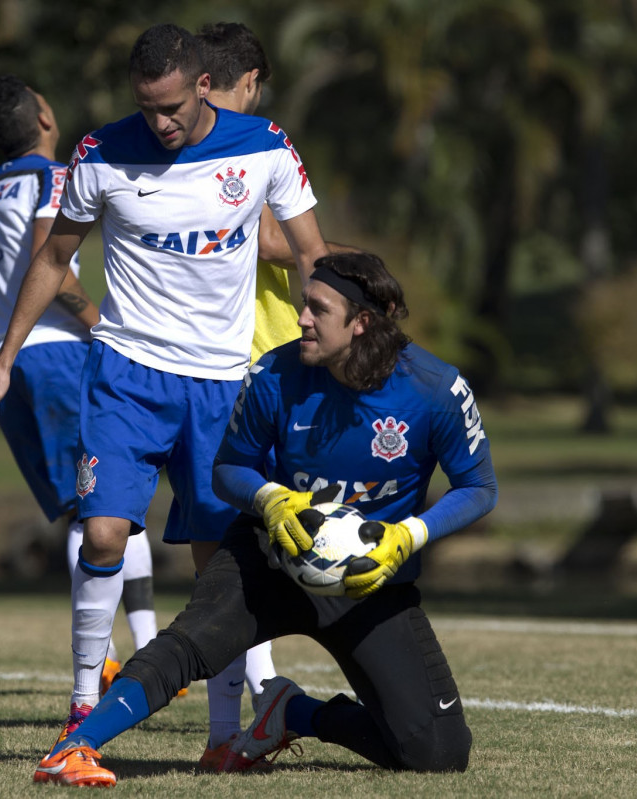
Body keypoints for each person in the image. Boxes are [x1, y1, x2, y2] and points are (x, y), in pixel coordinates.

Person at [0, 24, 329, 758]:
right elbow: (53, 257)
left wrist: (317, 356)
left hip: (223, 384)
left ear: (203, 86)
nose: (159, 124)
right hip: (125, 375)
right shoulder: (100, 153)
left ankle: (226, 736)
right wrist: (2, 362)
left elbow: (310, 255)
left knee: (214, 561)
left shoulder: (265, 146)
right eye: (145, 107)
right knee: (101, 530)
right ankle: (80, 707)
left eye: (170, 108)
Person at [33, 251, 498, 787]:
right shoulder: (275, 373)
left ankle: (293, 712)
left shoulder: (435, 388)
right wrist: (271, 500)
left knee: (440, 752)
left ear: (361, 322)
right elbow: (229, 469)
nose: (301, 318)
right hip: (269, 558)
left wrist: (408, 536)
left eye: (317, 309)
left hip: (371, 579)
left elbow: (479, 488)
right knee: (190, 644)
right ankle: (75, 746)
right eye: (304, 305)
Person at [0, 75, 162, 702]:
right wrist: (103, 326)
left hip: (8, 355)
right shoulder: (50, 177)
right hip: (58, 355)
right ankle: (127, 651)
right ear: (45, 116)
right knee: (105, 499)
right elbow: (45, 260)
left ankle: (116, 653)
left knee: (82, 507)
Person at [196, 21, 363, 717]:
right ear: (252, 82)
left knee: (230, 530)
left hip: (209, 361)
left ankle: (249, 685)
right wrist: (355, 269)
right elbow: (276, 238)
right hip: (247, 358)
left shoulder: (167, 147)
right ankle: (249, 687)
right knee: (244, 529)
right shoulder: (257, 142)